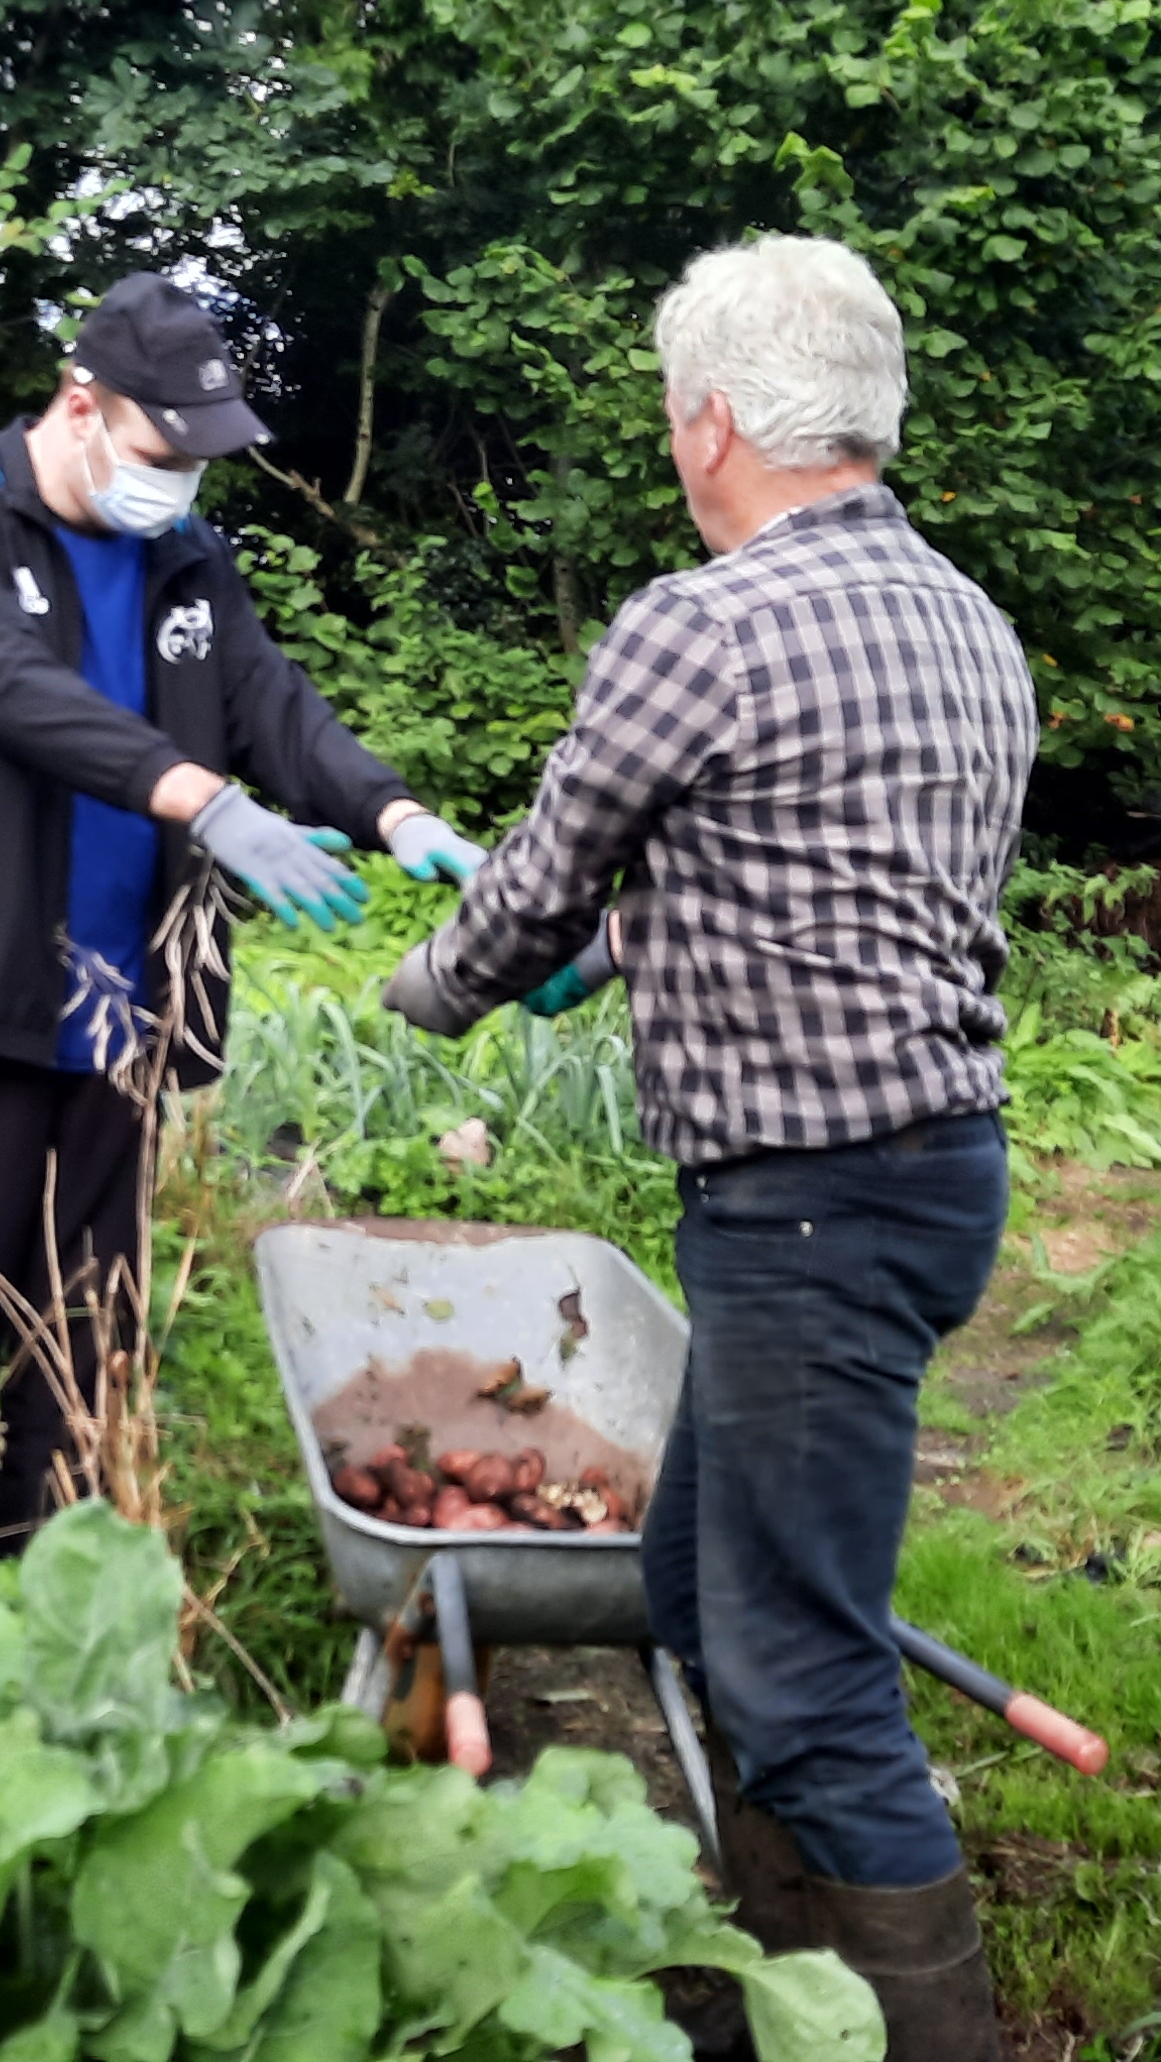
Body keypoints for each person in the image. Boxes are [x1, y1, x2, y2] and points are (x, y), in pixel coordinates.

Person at [375, 237, 1035, 2061]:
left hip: (807, 1204)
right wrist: (638, 935)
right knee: (689, 1590)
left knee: (809, 1671)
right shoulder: (966, 619)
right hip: (926, 1174)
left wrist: (436, 983)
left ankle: (912, 2032)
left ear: (716, 419)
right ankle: (766, 1990)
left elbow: (541, 880)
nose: (680, 441)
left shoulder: (704, 619)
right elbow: (832, 879)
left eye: (680, 412)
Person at [0, 272, 485, 1572]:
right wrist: (207, 802)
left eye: (196, 463)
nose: (174, 483)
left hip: (123, 1014)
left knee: (88, 1334)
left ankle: (49, 1599)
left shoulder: (185, 554)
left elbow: (271, 701)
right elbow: (5, 686)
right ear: (83, 401)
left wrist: (399, 814)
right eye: (154, 451)